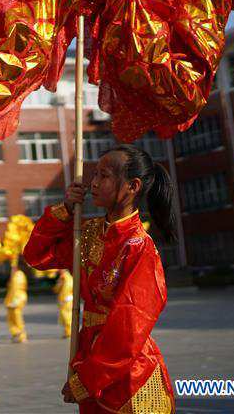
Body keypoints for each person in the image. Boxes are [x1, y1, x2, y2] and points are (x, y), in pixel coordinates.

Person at [24, 144, 176, 413]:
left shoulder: (140, 248)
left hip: (126, 376)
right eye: (94, 175)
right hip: (88, 357)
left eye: (103, 176)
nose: (93, 183)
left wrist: (87, 379)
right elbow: (36, 255)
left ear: (132, 186)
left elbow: (128, 328)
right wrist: (66, 209)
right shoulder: (89, 233)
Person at [4, 264, 28, 343]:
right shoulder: (14, 276)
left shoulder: (19, 275)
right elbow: (11, 289)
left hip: (17, 300)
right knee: (10, 319)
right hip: (11, 301)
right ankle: (15, 334)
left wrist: (16, 300)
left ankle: (22, 336)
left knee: (17, 318)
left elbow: (18, 288)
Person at [54, 269, 74, 339]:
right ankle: (67, 331)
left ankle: (69, 332)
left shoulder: (67, 277)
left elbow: (67, 287)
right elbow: (56, 289)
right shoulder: (62, 277)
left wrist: (64, 298)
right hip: (64, 300)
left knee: (67, 316)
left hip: (66, 300)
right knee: (64, 316)